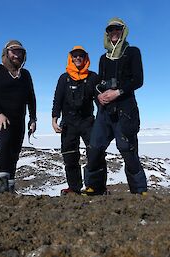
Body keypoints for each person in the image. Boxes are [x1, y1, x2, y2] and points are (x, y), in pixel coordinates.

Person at [82, 18, 147, 195]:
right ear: (107, 33)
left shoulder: (132, 52)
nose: (114, 33)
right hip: (105, 111)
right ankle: (94, 187)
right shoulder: (104, 58)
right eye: (110, 30)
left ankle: (139, 191)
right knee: (94, 147)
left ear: (123, 31)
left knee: (127, 148)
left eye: (117, 29)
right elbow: (100, 84)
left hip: (126, 110)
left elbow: (138, 80)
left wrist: (118, 92)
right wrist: (100, 96)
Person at [0, 40, 37, 193]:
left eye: (19, 52)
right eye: (13, 51)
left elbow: (31, 98)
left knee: (15, 150)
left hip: (19, 119)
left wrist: (33, 118)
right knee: (5, 142)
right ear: (6, 53)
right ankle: (2, 185)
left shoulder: (25, 75)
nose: (16, 55)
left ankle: (10, 186)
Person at [52, 46, 98, 195]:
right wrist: (54, 118)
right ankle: (74, 187)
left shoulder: (92, 77)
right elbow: (57, 99)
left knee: (95, 153)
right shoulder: (63, 78)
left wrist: (105, 119)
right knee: (70, 156)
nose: (78, 58)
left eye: (81, 56)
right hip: (69, 122)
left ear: (85, 58)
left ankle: (94, 186)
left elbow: (99, 99)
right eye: (75, 55)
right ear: (70, 58)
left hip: (88, 121)